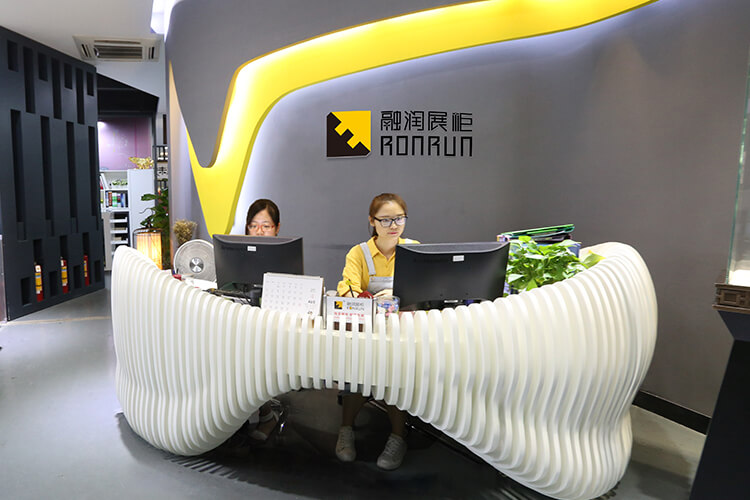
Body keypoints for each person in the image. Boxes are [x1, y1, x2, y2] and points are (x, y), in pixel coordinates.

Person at [335, 193, 418, 470]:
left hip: (403, 334)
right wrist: (367, 298)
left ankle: (398, 437)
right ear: (372, 221)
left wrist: (396, 293)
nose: (393, 226)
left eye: (399, 219)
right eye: (385, 220)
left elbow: (426, 290)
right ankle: (346, 430)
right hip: (367, 331)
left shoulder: (415, 250)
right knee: (356, 373)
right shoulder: (358, 253)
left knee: (395, 378)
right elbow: (347, 289)